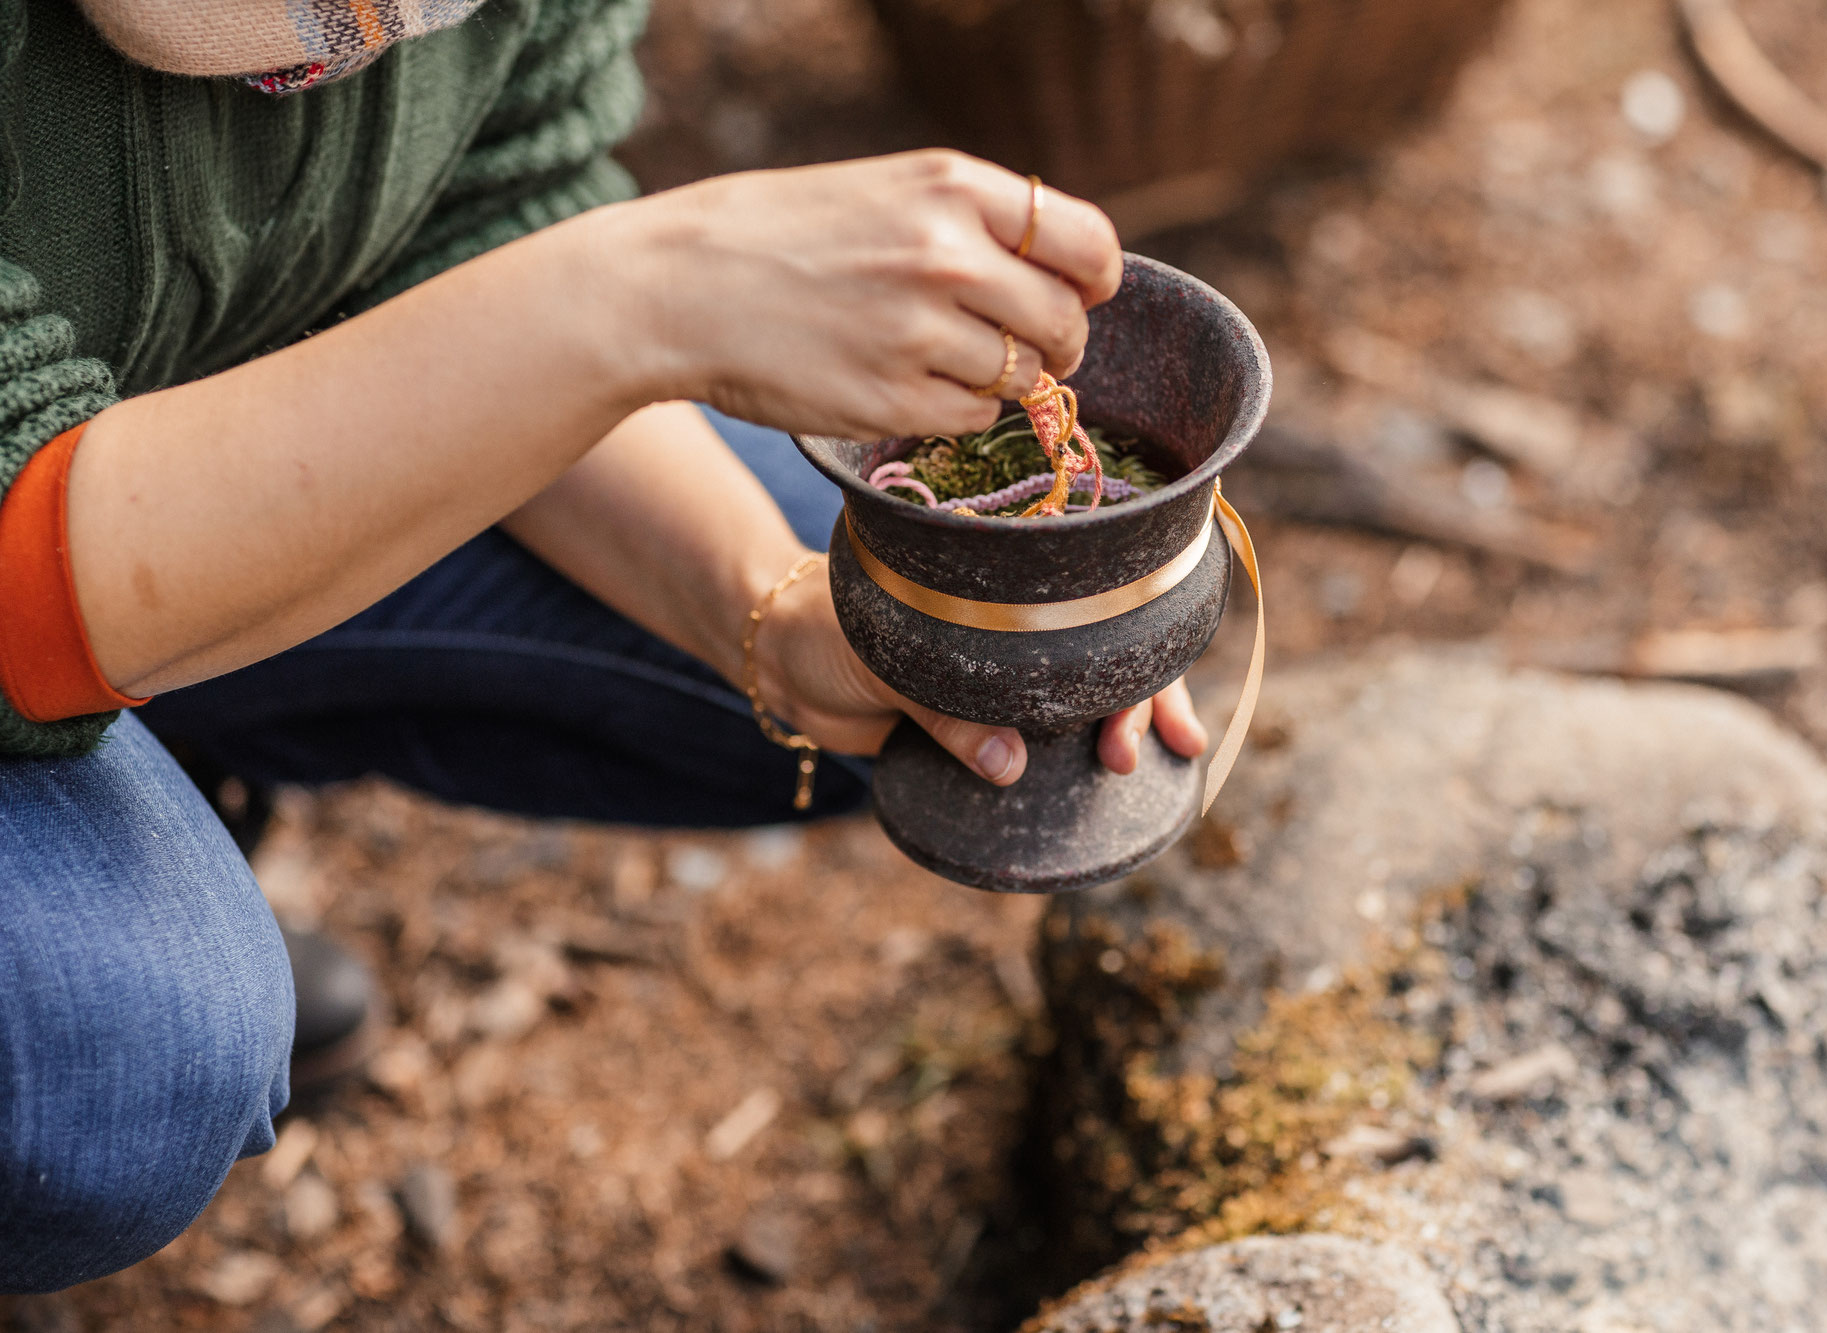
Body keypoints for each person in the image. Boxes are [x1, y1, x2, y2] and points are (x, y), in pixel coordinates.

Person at [0, 0, 1210, 1295]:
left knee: (891, 588)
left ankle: (173, 752)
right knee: (124, 1052)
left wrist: (778, 614)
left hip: (179, 425)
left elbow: (478, 221)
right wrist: (643, 294)